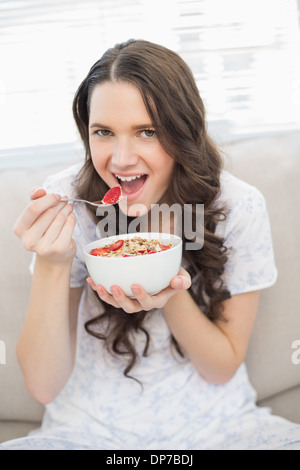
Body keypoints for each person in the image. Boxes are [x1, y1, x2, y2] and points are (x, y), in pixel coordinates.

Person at [1, 39, 300, 450]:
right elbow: (42, 384)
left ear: (183, 132)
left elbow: (221, 367)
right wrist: (53, 264)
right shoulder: (67, 202)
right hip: (84, 432)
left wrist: (167, 290)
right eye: (103, 132)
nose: (122, 160)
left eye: (147, 132)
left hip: (220, 428)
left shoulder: (237, 206)